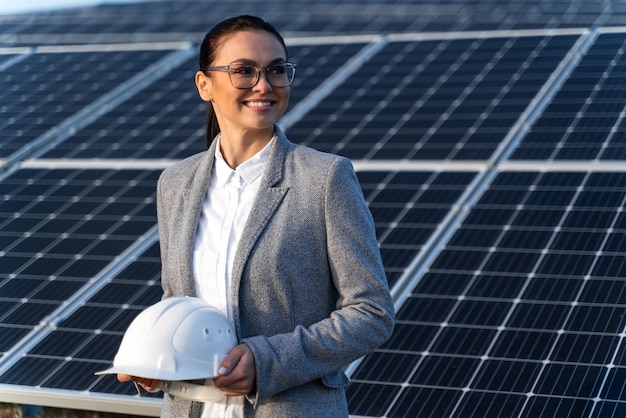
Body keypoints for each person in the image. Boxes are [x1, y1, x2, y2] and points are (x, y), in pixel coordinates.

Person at [118, 14, 395, 418]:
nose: (264, 85)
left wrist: (267, 360)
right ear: (204, 85)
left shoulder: (325, 178)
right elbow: (177, 300)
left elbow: (371, 314)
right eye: (244, 71)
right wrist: (158, 356)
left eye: (276, 70)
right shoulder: (175, 183)